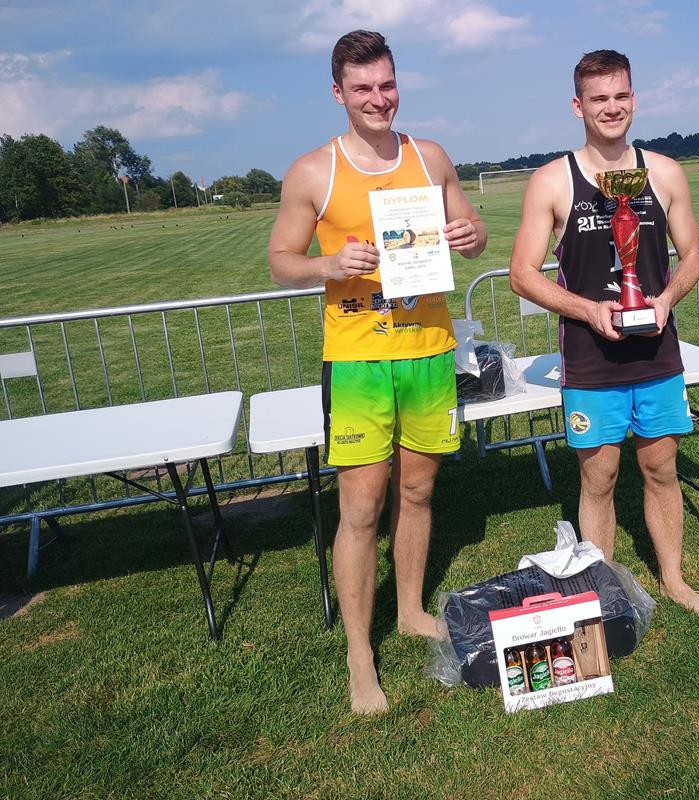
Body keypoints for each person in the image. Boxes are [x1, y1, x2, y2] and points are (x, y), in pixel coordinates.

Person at [268, 30, 486, 714]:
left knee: (417, 491)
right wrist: (327, 265)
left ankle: (411, 609)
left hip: (428, 350)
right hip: (358, 361)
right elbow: (280, 260)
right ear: (338, 93)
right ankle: (360, 654)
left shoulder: (430, 156)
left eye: (386, 84)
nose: (377, 98)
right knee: (361, 508)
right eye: (362, 87)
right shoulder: (313, 171)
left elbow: (472, 232)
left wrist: (471, 235)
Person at [509, 50, 699, 617]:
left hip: (656, 352)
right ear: (578, 106)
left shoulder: (664, 172)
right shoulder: (552, 180)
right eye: (598, 98)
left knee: (661, 468)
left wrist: (665, 299)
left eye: (620, 95)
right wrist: (587, 310)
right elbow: (521, 274)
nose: (611, 107)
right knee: (599, 478)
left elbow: (693, 255)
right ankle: (600, 592)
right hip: (590, 359)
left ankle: (673, 579)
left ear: (634, 100)